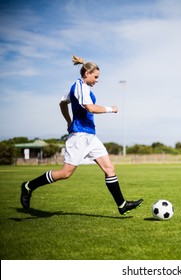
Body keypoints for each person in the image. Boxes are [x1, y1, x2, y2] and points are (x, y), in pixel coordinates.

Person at [20, 55, 143, 215]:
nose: (97, 80)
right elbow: (90, 108)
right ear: (87, 73)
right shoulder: (80, 87)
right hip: (79, 136)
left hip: (91, 136)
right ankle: (28, 186)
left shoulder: (81, 88)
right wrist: (110, 108)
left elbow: (63, 102)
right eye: (96, 77)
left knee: (109, 168)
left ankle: (122, 205)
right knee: (65, 173)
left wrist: (68, 120)